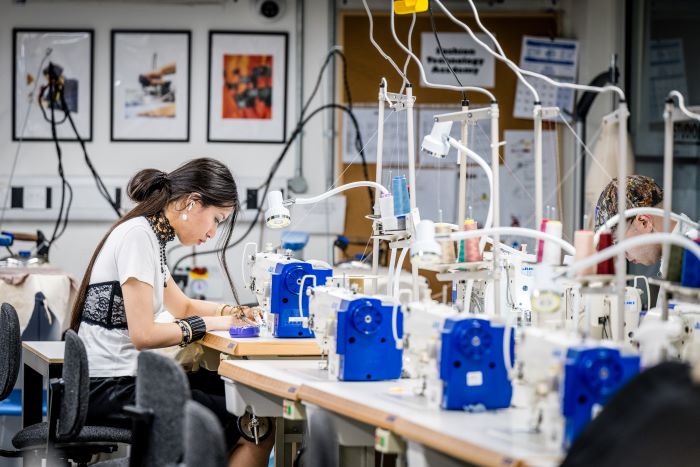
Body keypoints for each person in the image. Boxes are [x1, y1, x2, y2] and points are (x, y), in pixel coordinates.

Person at [68, 158, 274, 466]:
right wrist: (215, 322)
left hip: (121, 380)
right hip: (110, 388)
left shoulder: (151, 237)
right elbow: (144, 335)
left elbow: (183, 306)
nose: (213, 233)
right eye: (216, 219)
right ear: (193, 202)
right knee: (255, 422)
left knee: (237, 394)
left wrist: (235, 311)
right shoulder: (138, 236)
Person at [594, 174, 696, 267]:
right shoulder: (679, 255)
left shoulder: (692, 261)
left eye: (618, 241)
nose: (622, 254)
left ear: (644, 222)